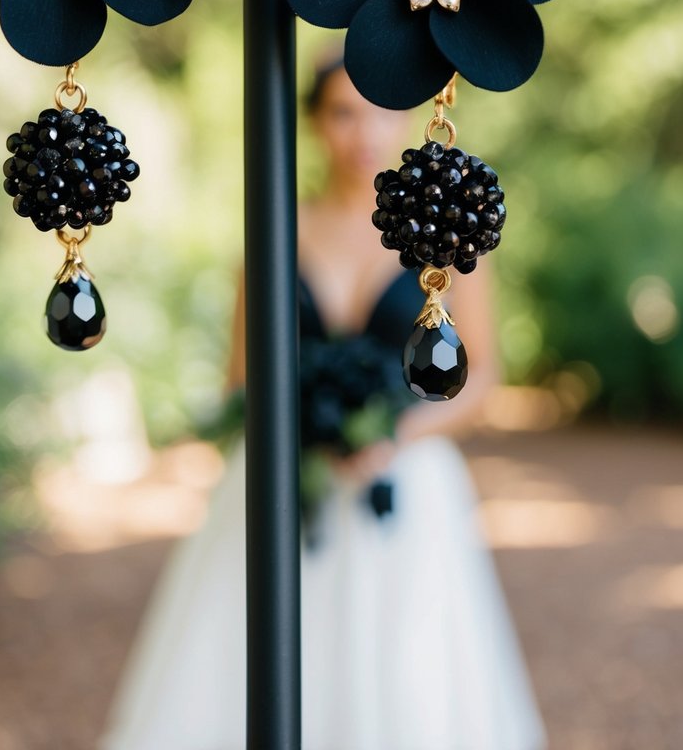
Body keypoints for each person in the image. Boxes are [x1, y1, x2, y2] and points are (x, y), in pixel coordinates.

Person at [101, 57, 547, 750]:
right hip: (285, 484)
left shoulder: (452, 234)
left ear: (404, 115)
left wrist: (396, 436)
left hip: (404, 486)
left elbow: (481, 376)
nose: (362, 130)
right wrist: (296, 431)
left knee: (407, 681)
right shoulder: (273, 232)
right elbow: (239, 383)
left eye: (376, 108)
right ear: (313, 123)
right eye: (341, 112)